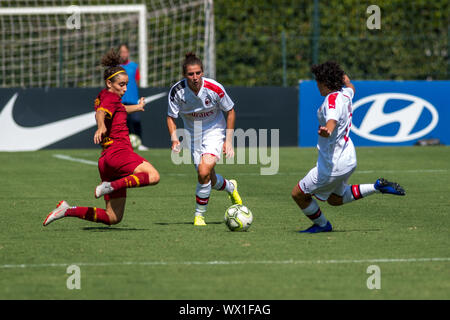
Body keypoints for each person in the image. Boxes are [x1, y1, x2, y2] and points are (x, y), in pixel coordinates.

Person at [43, 48, 160, 227]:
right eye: (122, 84)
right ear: (109, 83)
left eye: (127, 84)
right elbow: (101, 112)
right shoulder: (111, 98)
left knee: (113, 217)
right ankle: (112, 186)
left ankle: (66, 210)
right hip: (119, 152)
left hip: (106, 160)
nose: (125, 88)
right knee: (153, 176)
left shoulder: (106, 96)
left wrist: (136, 107)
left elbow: (115, 109)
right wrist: (101, 126)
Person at [291, 61, 405, 233]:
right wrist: (344, 78)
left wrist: (327, 130)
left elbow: (332, 119)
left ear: (325, 82)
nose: (317, 85)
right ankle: (377, 187)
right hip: (348, 159)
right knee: (335, 199)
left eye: (318, 81)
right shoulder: (345, 93)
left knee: (298, 194)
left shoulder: (332, 99)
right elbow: (351, 86)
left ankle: (322, 225)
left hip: (331, 165)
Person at [167, 52, 242, 226]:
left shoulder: (214, 88)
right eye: (191, 74)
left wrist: (228, 141)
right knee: (208, 178)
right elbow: (171, 116)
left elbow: (230, 111)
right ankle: (231, 187)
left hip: (215, 131)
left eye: (198, 73)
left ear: (203, 72)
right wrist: (174, 139)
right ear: (185, 75)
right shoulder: (177, 92)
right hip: (193, 136)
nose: (195, 77)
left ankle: (199, 215)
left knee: (202, 172)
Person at [118, 43, 148, 151]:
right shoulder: (116, 68)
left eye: (125, 52)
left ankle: (139, 142)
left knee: (136, 121)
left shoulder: (134, 66)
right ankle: (123, 146)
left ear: (128, 53)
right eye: (122, 52)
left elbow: (137, 81)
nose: (124, 54)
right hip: (120, 100)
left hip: (133, 100)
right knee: (122, 124)